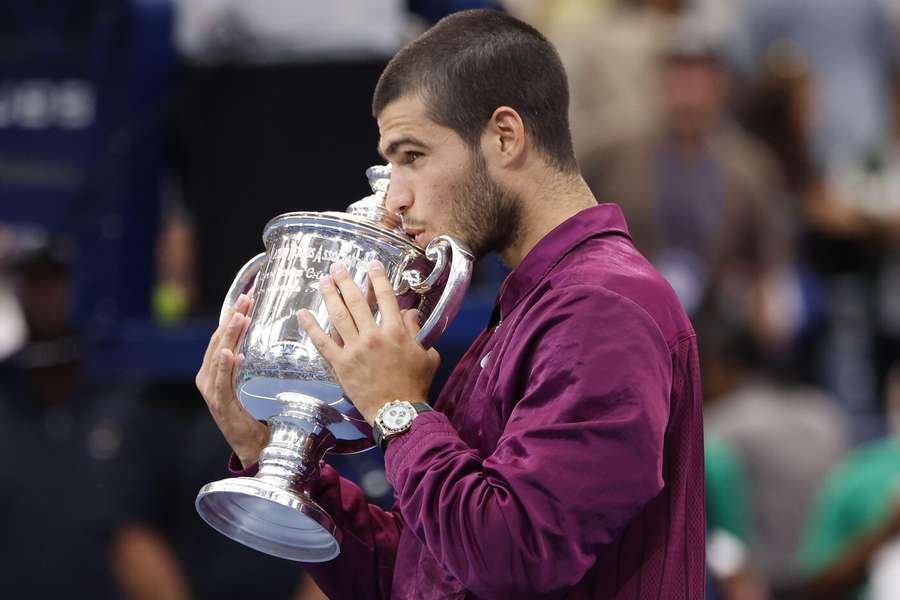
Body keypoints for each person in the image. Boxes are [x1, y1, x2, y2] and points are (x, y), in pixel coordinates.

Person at [196, 9, 705, 599]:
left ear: (505, 136)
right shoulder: (536, 304)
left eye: (411, 156)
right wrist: (270, 455)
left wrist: (398, 410)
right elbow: (423, 580)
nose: (397, 197)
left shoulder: (605, 307)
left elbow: (514, 557)